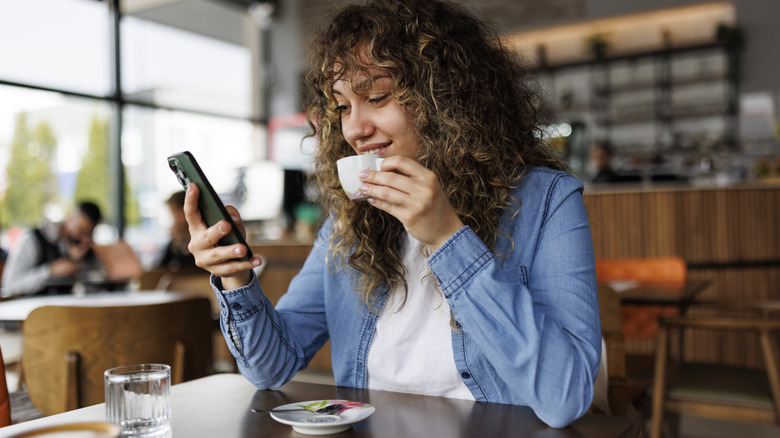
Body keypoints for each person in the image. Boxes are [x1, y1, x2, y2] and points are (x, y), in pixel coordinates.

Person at [184, 0, 600, 428]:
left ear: (448, 98)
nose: (354, 129)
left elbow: (564, 397)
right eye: (343, 106)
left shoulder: (547, 201)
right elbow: (271, 367)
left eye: (377, 97)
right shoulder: (350, 224)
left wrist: (447, 239)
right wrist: (236, 276)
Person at [1, 201, 103, 297]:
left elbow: (95, 288)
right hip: (35, 312)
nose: (85, 240)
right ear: (70, 218)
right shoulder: (34, 239)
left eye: (89, 234)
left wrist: (79, 264)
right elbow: (9, 286)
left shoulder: (83, 248)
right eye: (81, 231)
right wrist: (49, 271)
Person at [155, 191, 197, 272]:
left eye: (173, 215)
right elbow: (160, 269)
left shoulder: (199, 241)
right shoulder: (175, 243)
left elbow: (191, 270)